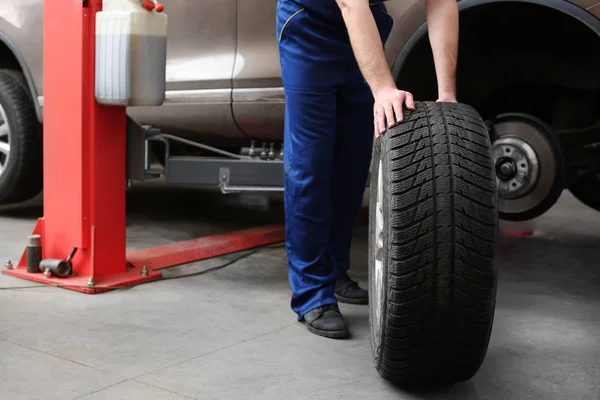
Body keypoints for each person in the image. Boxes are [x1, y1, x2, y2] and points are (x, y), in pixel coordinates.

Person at [276, 0, 459, 339]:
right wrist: (383, 88)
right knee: (310, 166)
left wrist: (446, 92)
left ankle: (333, 271)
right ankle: (312, 293)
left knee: (352, 164)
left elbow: (443, 2)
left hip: (366, 25)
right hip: (310, 24)